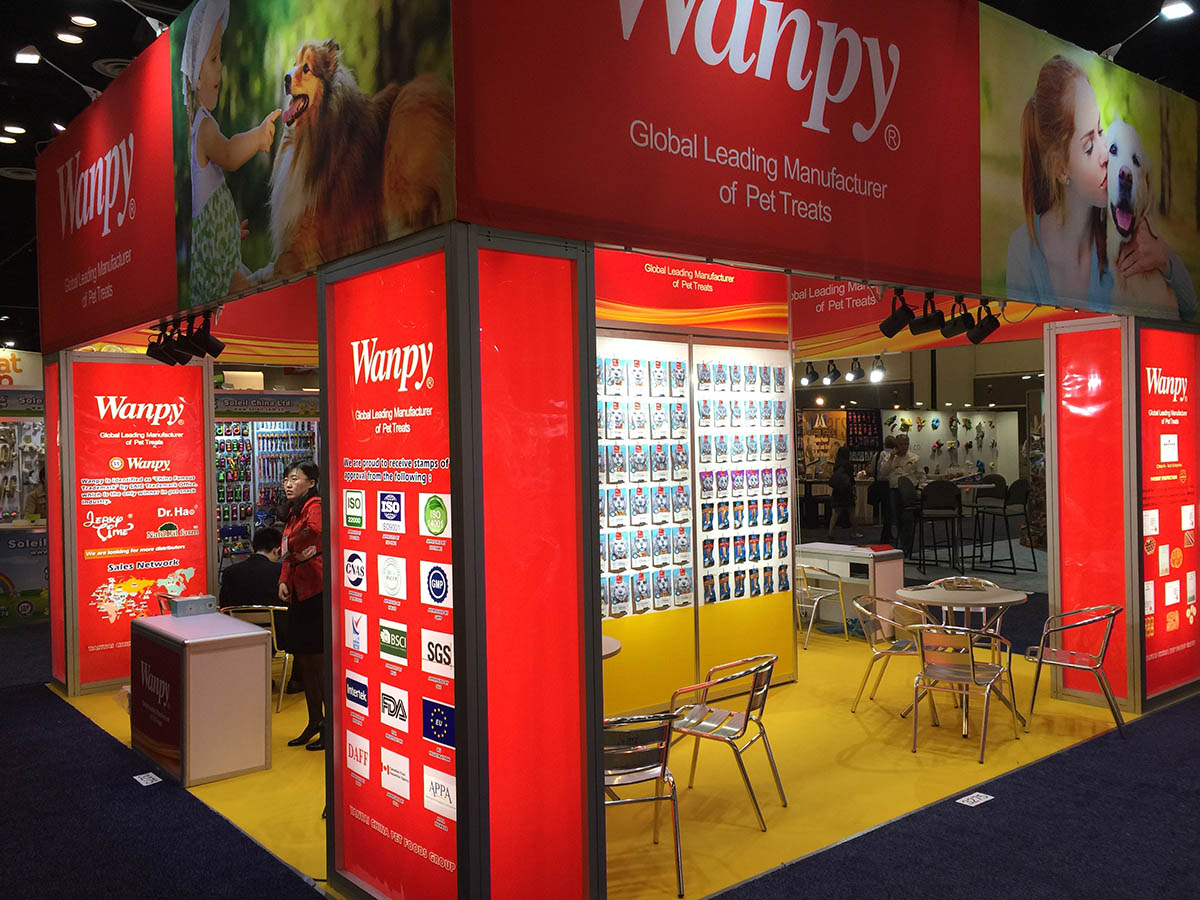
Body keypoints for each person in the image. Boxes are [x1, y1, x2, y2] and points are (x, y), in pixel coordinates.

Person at [1007, 55, 1195, 316]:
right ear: (1061, 169)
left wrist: (1165, 259)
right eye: (1088, 146)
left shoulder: (1122, 234)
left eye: (1100, 130)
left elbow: (1190, 309)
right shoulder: (1023, 251)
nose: (1106, 153)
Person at [179, 0, 280, 305]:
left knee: (249, 285)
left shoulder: (201, 125)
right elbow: (230, 154)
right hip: (216, 261)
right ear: (196, 77)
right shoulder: (204, 128)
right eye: (213, 58)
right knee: (253, 293)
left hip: (219, 252)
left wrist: (228, 234)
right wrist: (258, 137)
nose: (220, 66)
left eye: (219, 56)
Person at [278, 461, 325, 750]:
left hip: (316, 592)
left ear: (311, 482)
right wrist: (283, 579)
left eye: (295, 478)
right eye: (286, 478)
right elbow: (287, 553)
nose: (288, 483)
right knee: (305, 662)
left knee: (319, 663)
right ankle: (314, 721)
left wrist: (291, 545)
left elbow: (314, 530)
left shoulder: (314, 506)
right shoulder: (294, 511)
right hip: (298, 592)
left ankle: (329, 727)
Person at [885, 433, 920, 556]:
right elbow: (883, 471)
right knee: (897, 519)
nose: (904, 446)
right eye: (901, 444)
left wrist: (919, 489)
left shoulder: (914, 458)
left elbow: (920, 475)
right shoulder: (890, 458)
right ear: (896, 445)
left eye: (906, 444)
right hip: (895, 490)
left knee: (908, 519)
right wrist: (891, 457)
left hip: (909, 492)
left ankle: (908, 547)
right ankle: (903, 544)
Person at [827, 446, 855, 540]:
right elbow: (851, 479)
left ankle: (831, 531)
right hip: (847, 490)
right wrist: (854, 490)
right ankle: (854, 532)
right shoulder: (848, 465)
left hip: (837, 490)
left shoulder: (837, 464)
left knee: (835, 512)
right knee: (851, 511)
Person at [871, 435, 896, 543]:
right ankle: (887, 534)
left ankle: (887, 533)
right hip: (890, 484)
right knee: (889, 510)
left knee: (885, 510)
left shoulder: (878, 455)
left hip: (880, 483)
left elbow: (872, 470)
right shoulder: (894, 456)